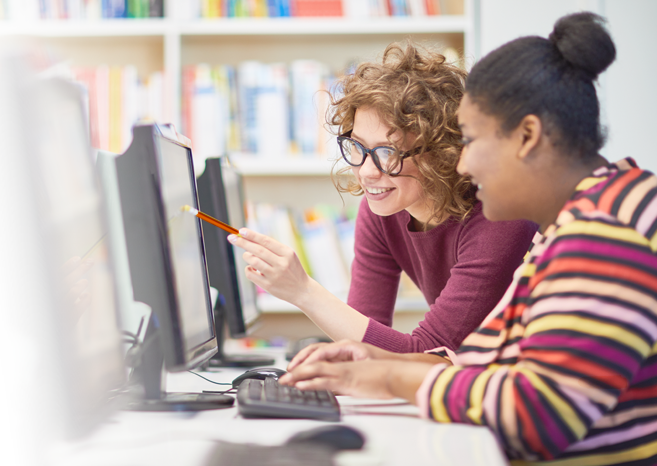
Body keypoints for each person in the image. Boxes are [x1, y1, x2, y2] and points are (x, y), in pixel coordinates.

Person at [281, 12, 657, 464]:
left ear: (527, 137)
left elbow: (539, 415)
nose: (461, 166)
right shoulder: (576, 222)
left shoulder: (605, 231)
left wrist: (388, 379)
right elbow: (488, 360)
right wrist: (375, 361)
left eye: (472, 142)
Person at [227, 43, 538, 353]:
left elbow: (429, 353)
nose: (366, 172)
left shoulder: (500, 217)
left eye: (387, 152)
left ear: (442, 153)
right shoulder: (381, 211)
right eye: (358, 147)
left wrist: (305, 291)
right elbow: (364, 336)